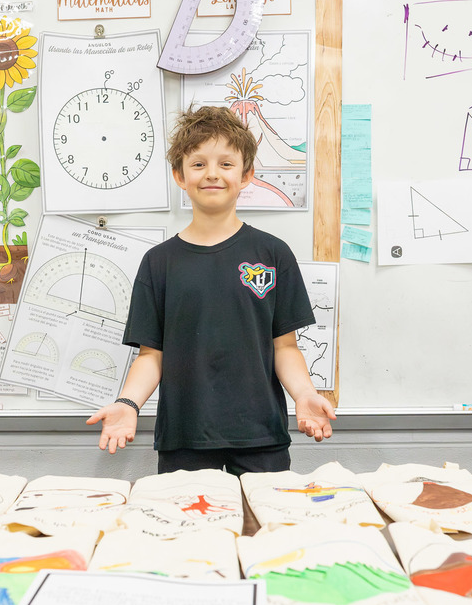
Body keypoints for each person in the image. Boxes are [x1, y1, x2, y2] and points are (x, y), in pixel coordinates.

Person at [86, 105, 336, 475]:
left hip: (260, 438)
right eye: (199, 164)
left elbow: (284, 347)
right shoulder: (159, 263)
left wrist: (304, 394)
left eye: (226, 163)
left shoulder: (273, 254)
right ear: (179, 176)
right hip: (184, 439)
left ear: (247, 174)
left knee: (261, 530)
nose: (212, 174)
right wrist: (128, 403)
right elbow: (151, 356)